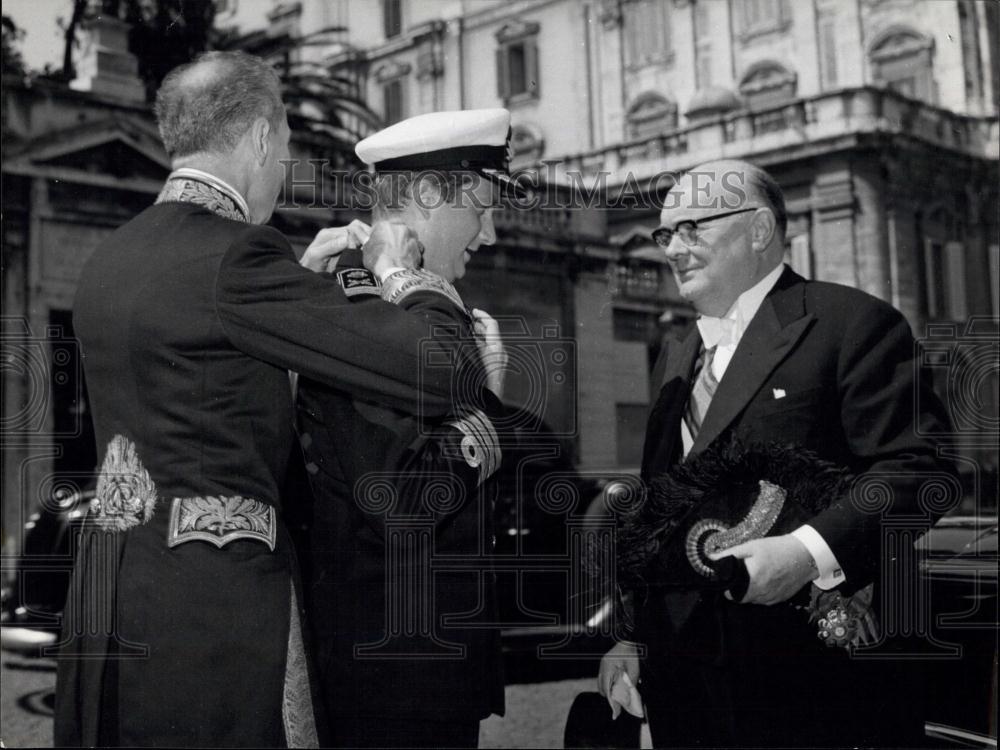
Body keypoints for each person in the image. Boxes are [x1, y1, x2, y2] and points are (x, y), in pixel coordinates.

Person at [55, 51, 485, 748]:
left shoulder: (113, 258)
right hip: (214, 613)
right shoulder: (240, 258)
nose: (287, 165)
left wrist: (301, 291)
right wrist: (403, 276)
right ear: (259, 136)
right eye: (286, 144)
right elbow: (444, 372)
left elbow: (201, 394)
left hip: (108, 598)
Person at [597, 159, 955, 747]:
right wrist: (630, 633)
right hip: (686, 682)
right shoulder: (676, 352)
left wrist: (805, 551)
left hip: (808, 683)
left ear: (759, 230)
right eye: (666, 233)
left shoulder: (852, 324)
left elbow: (921, 471)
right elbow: (659, 508)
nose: (672, 249)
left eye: (693, 228)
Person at [295, 109, 514, 748]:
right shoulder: (367, 310)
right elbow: (406, 499)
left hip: (413, 676)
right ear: (425, 195)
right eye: (482, 208)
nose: (491, 234)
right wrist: (491, 410)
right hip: (395, 687)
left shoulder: (391, 302)